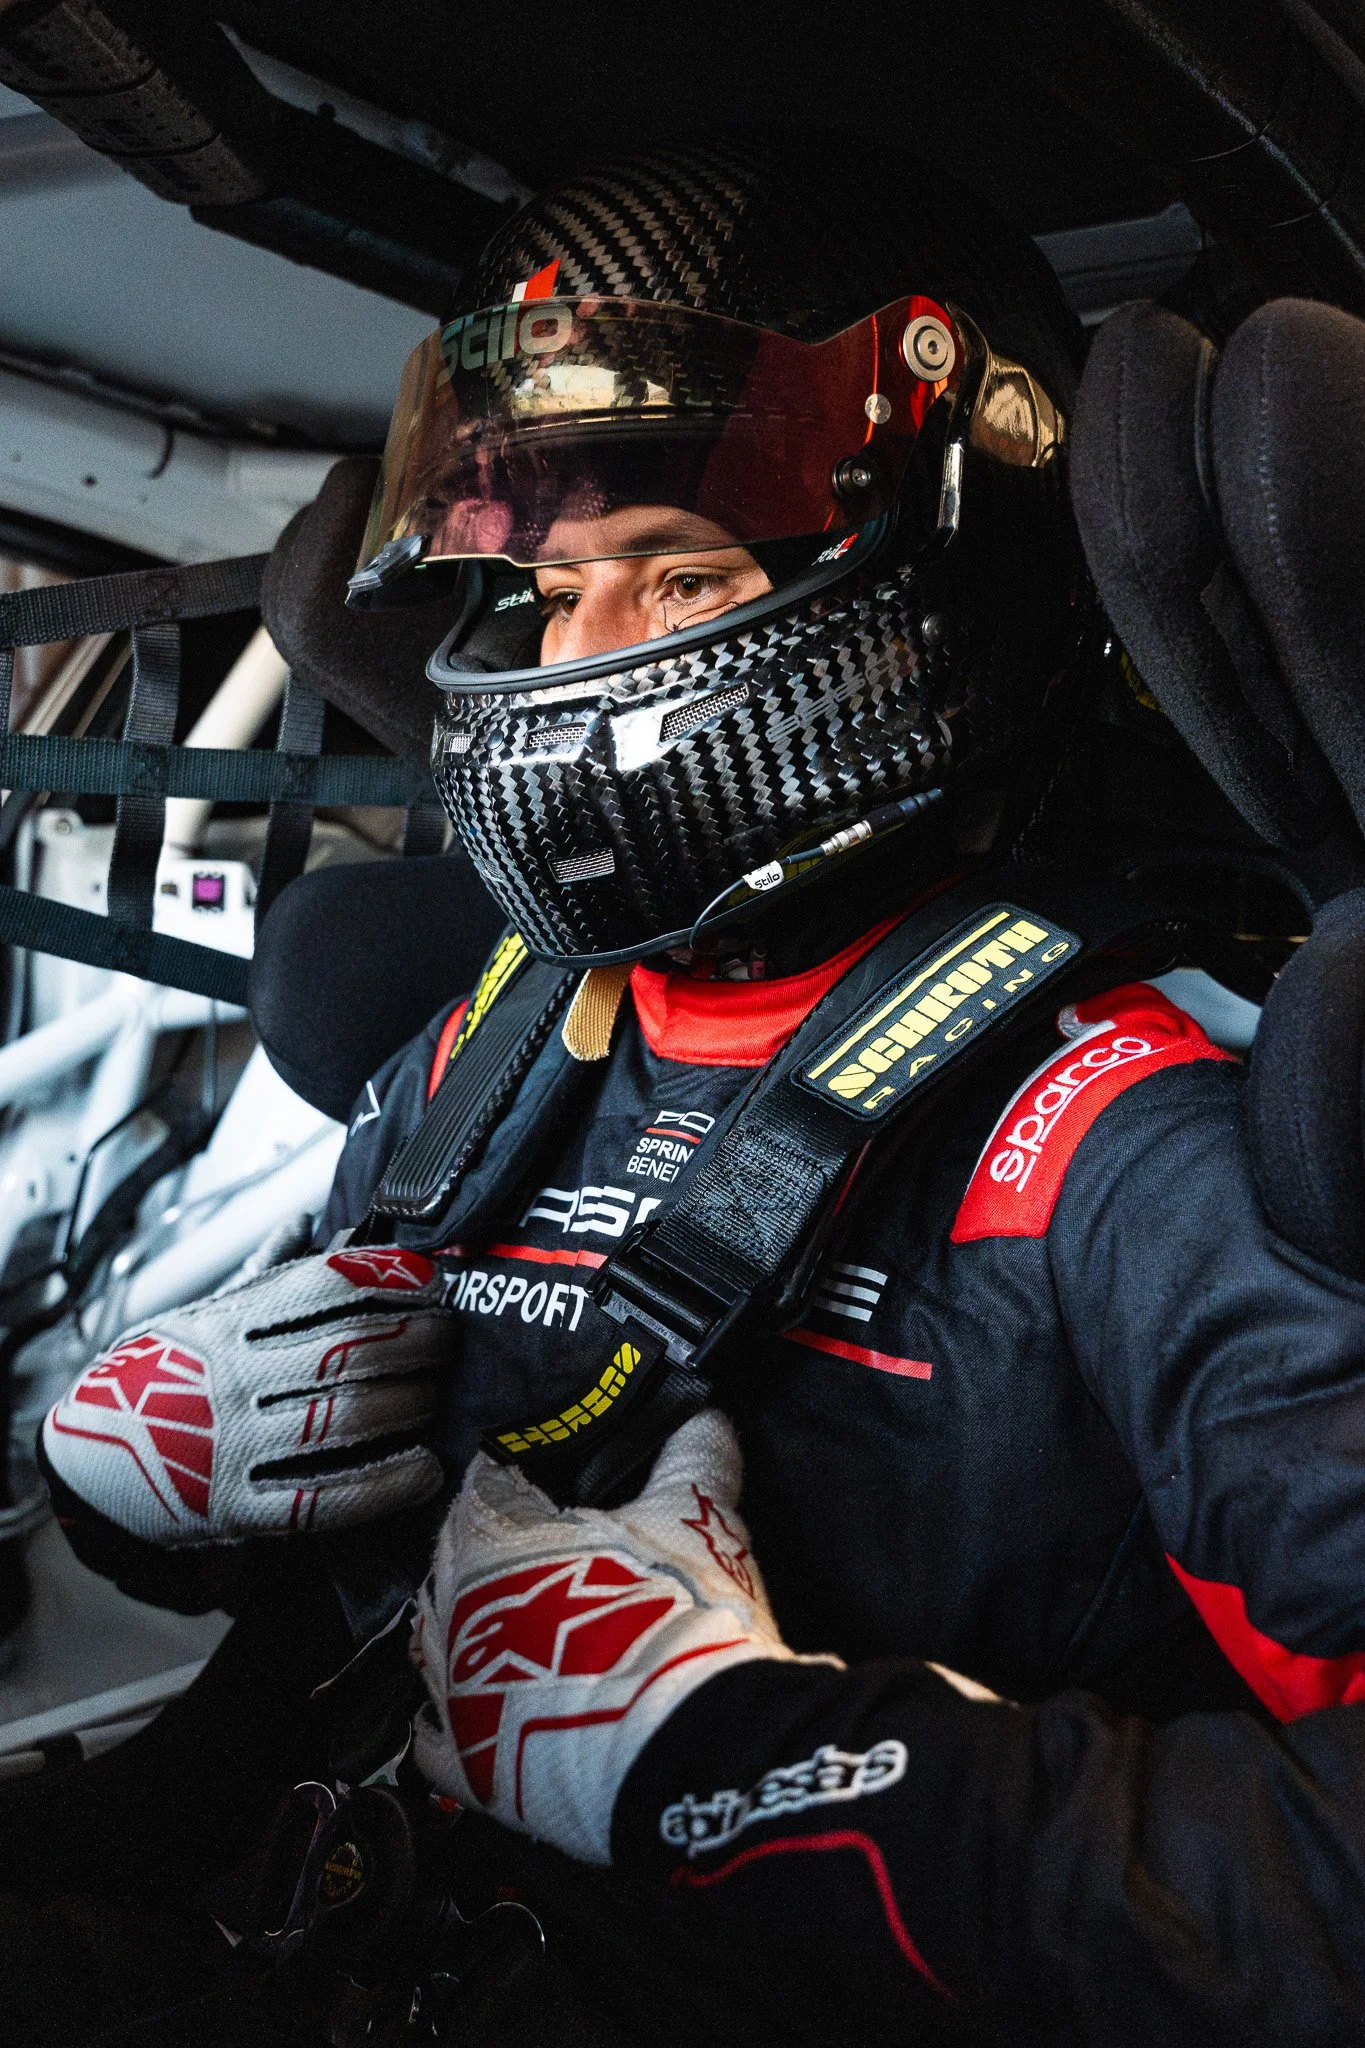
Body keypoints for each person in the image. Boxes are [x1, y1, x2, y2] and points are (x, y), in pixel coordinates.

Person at [26, 144, 1365, 2046]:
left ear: (927, 588)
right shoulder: (502, 1032)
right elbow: (330, 1583)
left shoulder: (1118, 1141)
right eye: (555, 588)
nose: (583, 658)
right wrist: (145, 1499)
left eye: (683, 575)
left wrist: (733, 1759)